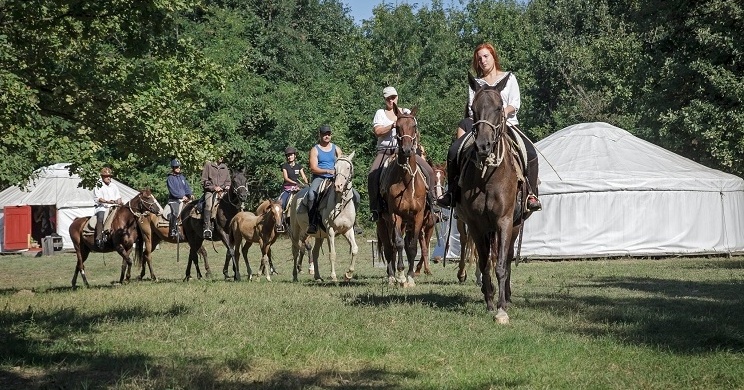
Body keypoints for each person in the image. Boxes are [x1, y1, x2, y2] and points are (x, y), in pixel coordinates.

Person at [437, 43, 542, 212]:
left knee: (530, 152)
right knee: (454, 150)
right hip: (482, 127)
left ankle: (531, 193)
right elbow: (473, 109)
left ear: (494, 57)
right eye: (479, 58)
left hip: (507, 125)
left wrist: (503, 112)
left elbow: (515, 103)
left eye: (486, 56)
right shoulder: (476, 83)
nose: (482, 61)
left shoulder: (509, 78)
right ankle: (452, 193)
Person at [368, 86, 439, 222]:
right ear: (384, 99)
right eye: (388, 98)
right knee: (373, 175)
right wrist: (393, 126)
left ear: (397, 97)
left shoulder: (406, 112)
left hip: (407, 151)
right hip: (386, 151)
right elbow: (377, 131)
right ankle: (376, 208)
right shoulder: (380, 113)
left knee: (429, 171)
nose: (391, 100)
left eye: (393, 97)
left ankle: (432, 202)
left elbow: (414, 130)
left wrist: (417, 147)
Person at [306, 124, 361, 235]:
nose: (327, 136)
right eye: (324, 134)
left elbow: (341, 162)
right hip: (320, 178)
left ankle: (354, 223)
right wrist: (327, 171)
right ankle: (312, 223)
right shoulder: (315, 150)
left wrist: (339, 174)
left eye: (328, 134)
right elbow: (313, 168)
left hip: (336, 178)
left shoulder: (336, 149)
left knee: (356, 195)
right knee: (311, 194)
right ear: (320, 135)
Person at [200, 154, 230, 239]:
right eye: (220, 155)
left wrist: (227, 186)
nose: (221, 158)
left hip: (223, 191)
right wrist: (214, 188)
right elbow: (204, 181)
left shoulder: (225, 167)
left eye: (223, 156)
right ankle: (207, 227)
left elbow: (228, 181)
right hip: (211, 192)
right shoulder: (208, 165)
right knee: (208, 204)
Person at [93, 167, 123, 249]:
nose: (109, 178)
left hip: (114, 207)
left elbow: (118, 197)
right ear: (102, 177)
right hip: (102, 207)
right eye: (106, 176)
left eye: (110, 176)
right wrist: (107, 201)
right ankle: (99, 238)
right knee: (101, 218)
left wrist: (120, 202)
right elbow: (98, 198)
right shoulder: (98, 185)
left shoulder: (114, 186)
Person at [166, 158, 193, 239]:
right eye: (176, 167)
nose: (178, 168)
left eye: (179, 167)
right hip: (174, 200)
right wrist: (181, 196)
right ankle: (173, 230)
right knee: (175, 213)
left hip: (185, 199)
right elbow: (172, 191)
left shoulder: (182, 177)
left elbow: (186, 187)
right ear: (173, 168)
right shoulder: (170, 178)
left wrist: (190, 194)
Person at [280, 146, 308, 211]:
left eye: (291, 155)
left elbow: (303, 176)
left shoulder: (299, 166)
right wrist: (296, 183)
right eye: (288, 156)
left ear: (295, 156)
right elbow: (286, 178)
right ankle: (282, 218)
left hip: (297, 187)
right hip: (287, 188)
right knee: (282, 203)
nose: (289, 157)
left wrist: (306, 183)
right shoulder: (285, 166)